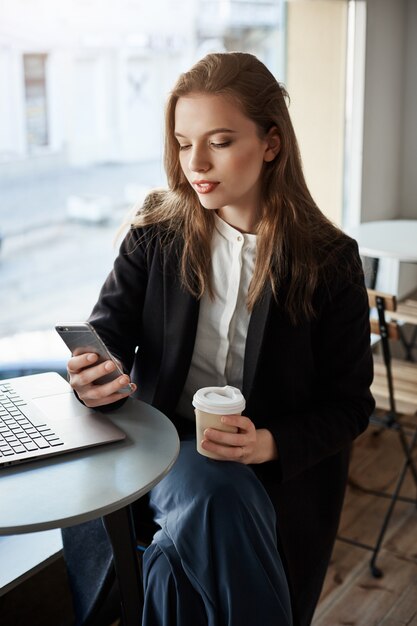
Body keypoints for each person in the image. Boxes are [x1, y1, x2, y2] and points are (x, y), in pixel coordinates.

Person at [65, 52, 374, 626]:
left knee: (185, 562)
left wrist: (270, 443)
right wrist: (91, 374)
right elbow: (106, 334)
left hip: (271, 464)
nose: (195, 164)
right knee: (213, 490)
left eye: (221, 141)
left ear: (272, 143)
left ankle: (158, 579)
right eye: (184, 143)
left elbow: (352, 404)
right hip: (164, 447)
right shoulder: (155, 235)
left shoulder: (329, 260)